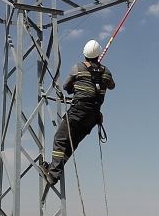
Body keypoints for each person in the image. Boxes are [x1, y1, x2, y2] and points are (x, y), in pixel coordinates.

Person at [43, 39, 115, 186]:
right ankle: (55, 170)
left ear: (84, 55)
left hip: (78, 112)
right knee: (71, 144)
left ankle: (53, 174)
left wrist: (77, 84)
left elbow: (66, 87)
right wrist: (98, 74)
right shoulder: (106, 72)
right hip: (93, 117)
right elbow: (112, 86)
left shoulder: (78, 68)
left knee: (60, 139)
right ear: (98, 55)